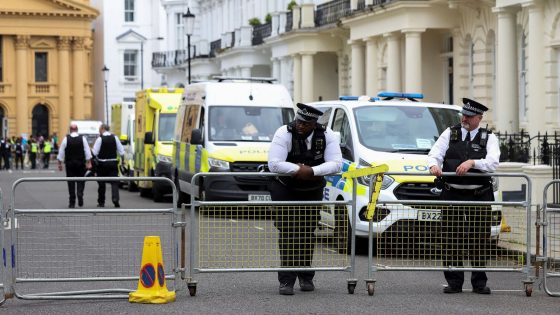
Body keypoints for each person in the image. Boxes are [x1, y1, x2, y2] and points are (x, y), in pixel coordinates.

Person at [268, 103, 342, 295]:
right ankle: (286, 280)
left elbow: (336, 164)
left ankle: (306, 276)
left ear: (314, 123)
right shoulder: (283, 132)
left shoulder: (327, 135)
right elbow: (274, 164)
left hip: (312, 188)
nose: (300, 125)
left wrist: (311, 171)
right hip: (285, 188)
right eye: (299, 121)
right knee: (288, 231)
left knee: (307, 231)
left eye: (306, 123)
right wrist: (298, 170)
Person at [427, 98, 500, 295]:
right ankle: (454, 282)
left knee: (480, 239)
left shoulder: (489, 138)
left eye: (469, 116)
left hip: (479, 195)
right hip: (453, 193)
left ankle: (479, 283)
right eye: (463, 115)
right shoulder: (450, 133)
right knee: (451, 238)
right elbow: (434, 153)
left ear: (479, 117)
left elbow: (493, 162)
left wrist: (473, 163)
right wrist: (433, 165)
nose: (464, 119)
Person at [57, 124, 92, 208]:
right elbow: (87, 151)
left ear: (70, 130)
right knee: (81, 180)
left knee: (71, 182)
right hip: (80, 163)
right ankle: (80, 194)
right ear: (77, 130)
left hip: (70, 164)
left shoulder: (66, 139)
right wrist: (89, 162)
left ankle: (72, 202)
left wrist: (59, 163)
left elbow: (61, 152)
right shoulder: (82, 139)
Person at [92, 124, 125, 208]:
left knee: (101, 184)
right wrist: (123, 161)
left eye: (99, 129)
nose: (99, 131)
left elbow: (94, 152)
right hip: (113, 163)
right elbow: (121, 152)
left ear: (103, 129)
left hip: (102, 164)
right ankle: (115, 199)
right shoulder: (115, 138)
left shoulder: (100, 139)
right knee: (114, 183)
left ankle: (101, 202)